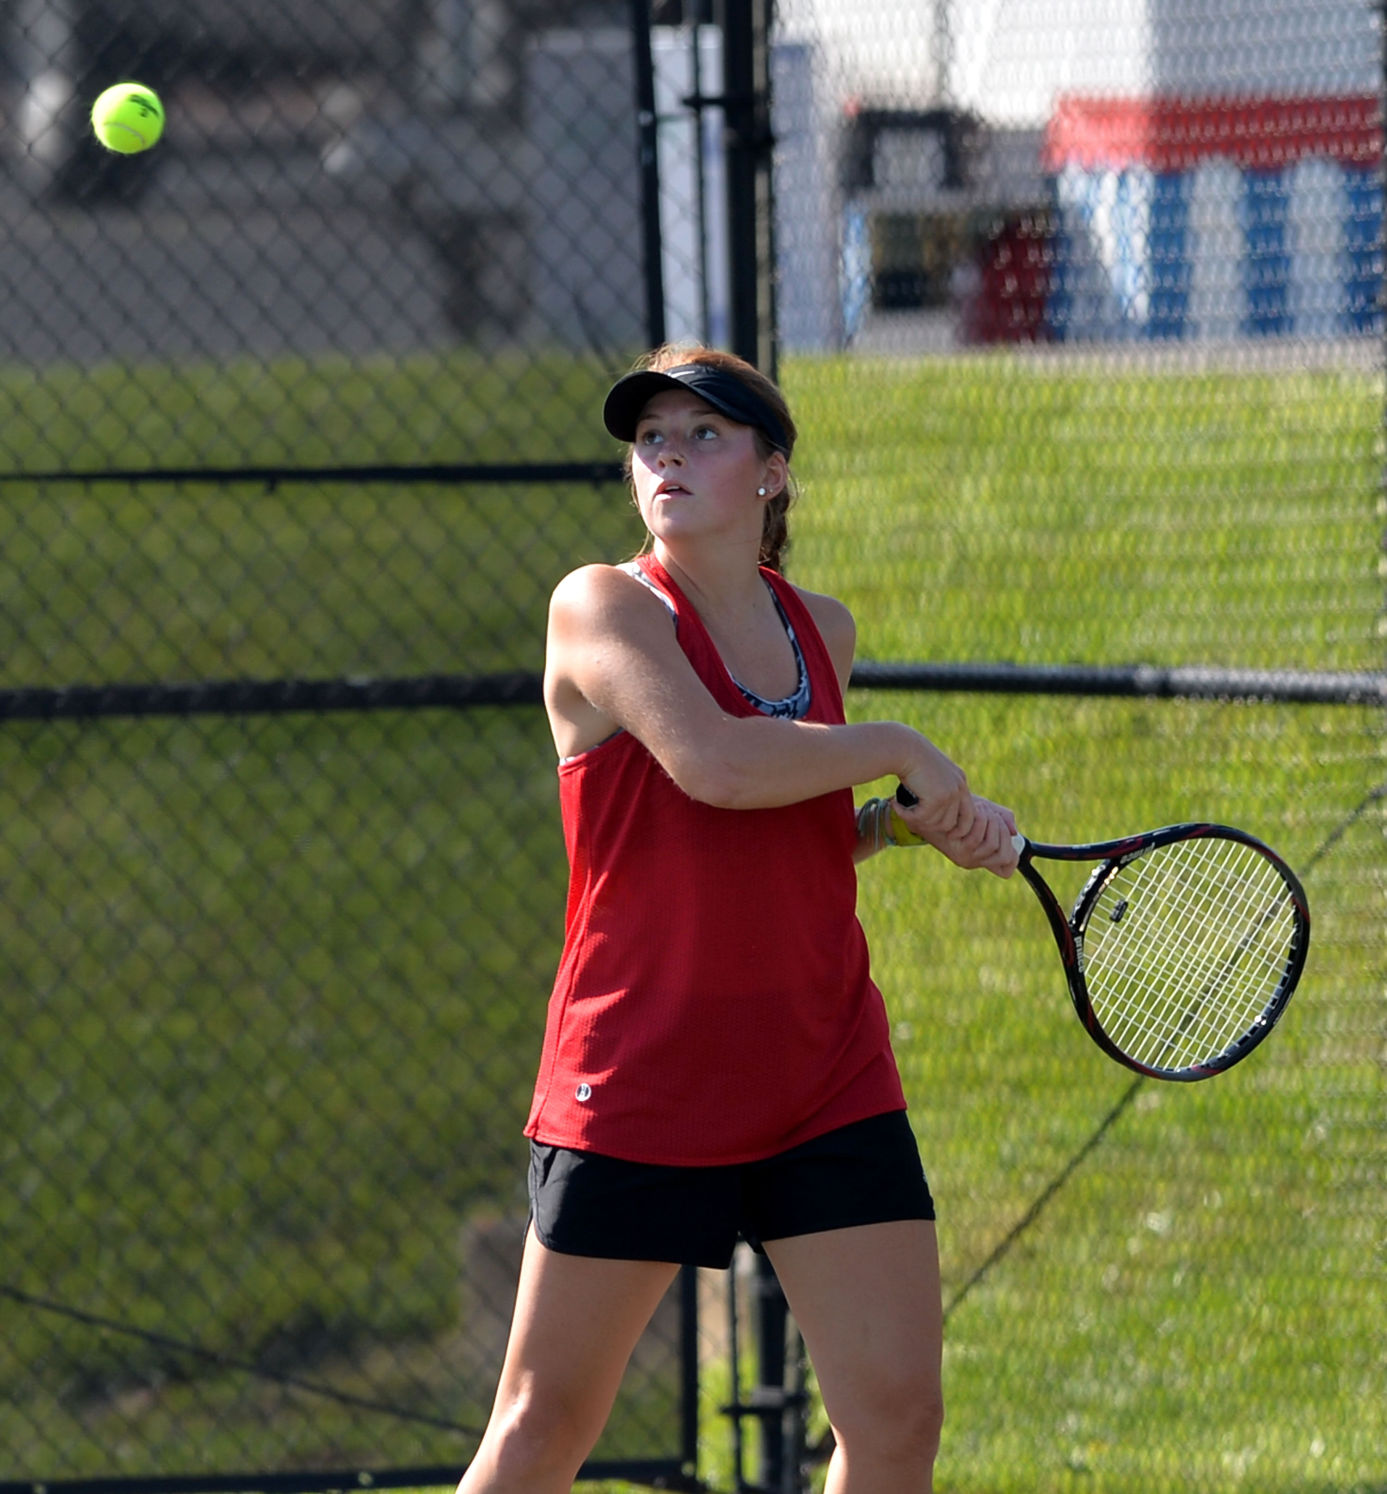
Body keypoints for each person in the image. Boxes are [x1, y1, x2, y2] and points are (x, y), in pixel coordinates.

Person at [455, 344, 1018, 1494]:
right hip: (643, 1075)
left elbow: (783, 826)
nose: (667, 452)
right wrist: (901, 752)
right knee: (541, 1430)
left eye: (703, 434)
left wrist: (895, 826)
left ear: (770, 473)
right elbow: (712, 764)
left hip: (822, 1070)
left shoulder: (825, 630)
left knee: (897, 1419)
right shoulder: (600, 605)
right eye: (651, 437)